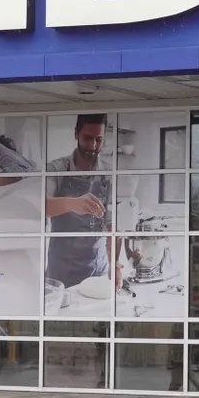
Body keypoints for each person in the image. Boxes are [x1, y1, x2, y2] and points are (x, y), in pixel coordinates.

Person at [44, 114, 126, 290]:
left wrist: (115, 263)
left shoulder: (108, 174)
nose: (93, 146)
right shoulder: (56, 169)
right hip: (61, 272)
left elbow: (113, 226)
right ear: (76, 134)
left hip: (98, 270)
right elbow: (40, 206)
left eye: (98, 139)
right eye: (87, 138)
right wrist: (72, 204)